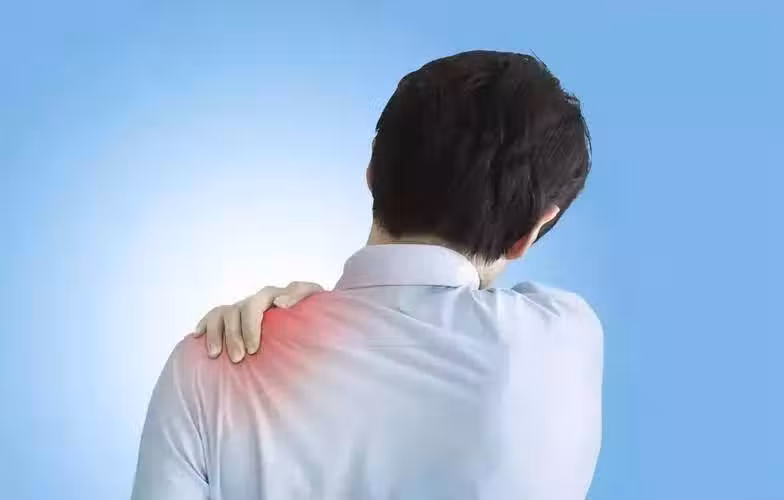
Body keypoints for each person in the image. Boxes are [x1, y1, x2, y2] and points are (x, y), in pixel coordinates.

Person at [132, 50, 603, 500]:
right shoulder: (564, 340)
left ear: (373, 170)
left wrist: (311, 312)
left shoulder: (208, 366)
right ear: (530, 233)